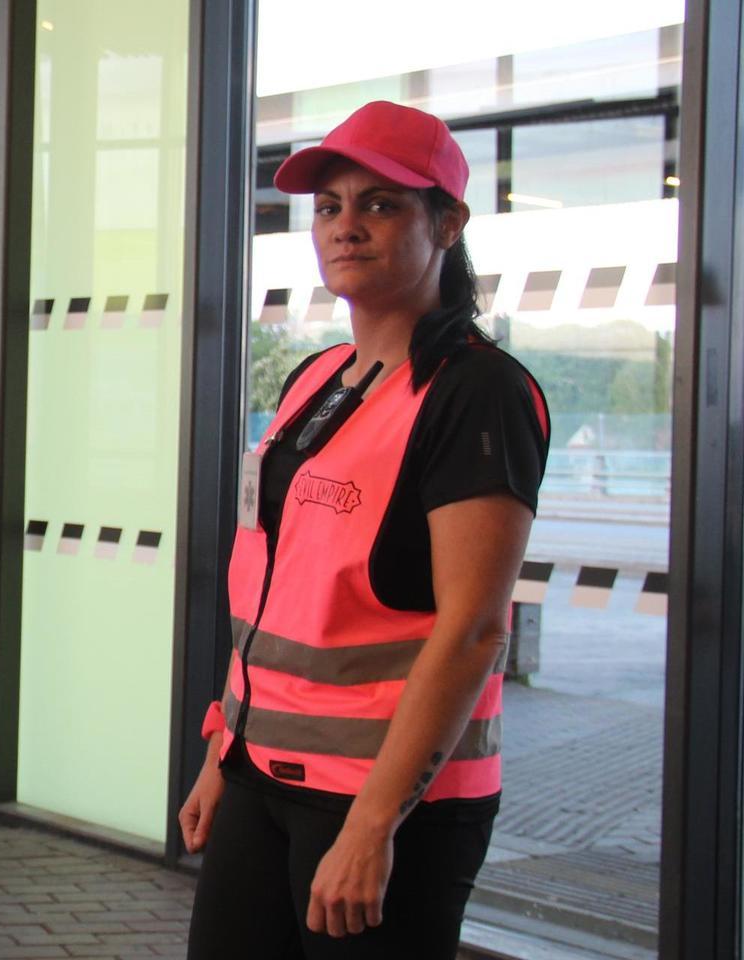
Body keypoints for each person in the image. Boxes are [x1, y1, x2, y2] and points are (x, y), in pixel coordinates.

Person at [180, 101, 550, 959]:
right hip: (258, 772)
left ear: (447, 223)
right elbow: (279, 598)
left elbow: (472, 626)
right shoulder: (316, 380)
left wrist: (375, 823)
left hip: (384, 803)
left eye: (381, 204)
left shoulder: (475, 393)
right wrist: (221, 747)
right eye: (330, 206)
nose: (346, 226)